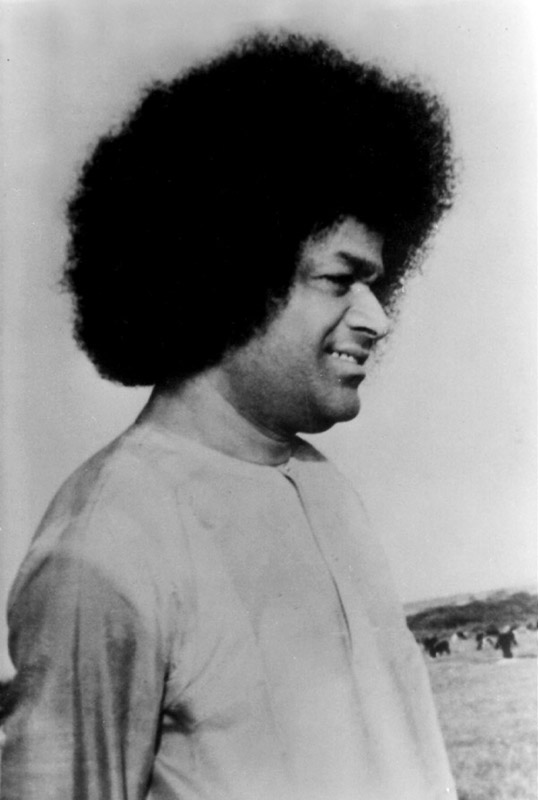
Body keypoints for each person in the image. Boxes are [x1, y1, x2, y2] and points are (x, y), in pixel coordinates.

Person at [0, 31, 457, 800]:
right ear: (230, 271)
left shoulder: (328, 490)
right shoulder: (107, 544)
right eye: (340, 280)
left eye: (377, 284)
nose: (377, 317)